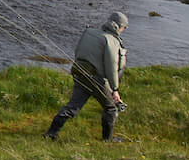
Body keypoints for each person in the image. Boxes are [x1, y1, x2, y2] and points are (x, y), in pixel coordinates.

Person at [46, 11, 129, 141]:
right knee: (111, 107)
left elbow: (77, 51)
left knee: (73, 106)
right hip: (95, 79)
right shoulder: (111, 40)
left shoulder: (89, 32)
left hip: (79, 72)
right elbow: (111, 66)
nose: (124, 30)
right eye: (124, 28)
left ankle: (51, 133)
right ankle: (108, 140)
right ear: (120, 27)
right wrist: (115, 89)